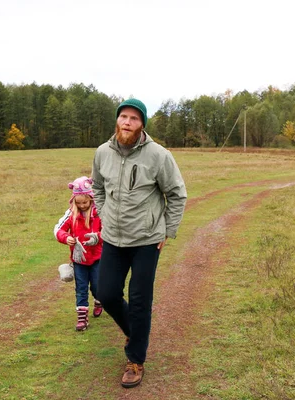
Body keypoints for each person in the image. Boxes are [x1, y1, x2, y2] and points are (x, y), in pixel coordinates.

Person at [92, 98, 187, 388]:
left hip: (147, 240)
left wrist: (166, 231)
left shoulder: (158, 155)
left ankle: (135, 360)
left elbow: (177, 194)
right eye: (123, 117)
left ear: (142, 124)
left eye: (134, 118)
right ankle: (136, 333)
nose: (127, 122)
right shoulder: (102, 153)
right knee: (105, 293)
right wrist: (105, 215)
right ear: (117, 120)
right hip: (113, 238)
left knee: (139, 300)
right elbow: (97, 188)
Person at [54, 176, 104, 331]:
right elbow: (58, 229)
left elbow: (110, 231)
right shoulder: (71, 214)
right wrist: (66, 237)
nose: (82, 206)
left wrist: (98, 237)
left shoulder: (100, 214)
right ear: (74, 200)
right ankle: (82, 319)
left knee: (97, 286)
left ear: (91, 199)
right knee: (81, 288)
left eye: (85, 202)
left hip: (97, 258)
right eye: (79, 202)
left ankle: (99, 300)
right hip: (79, 260)